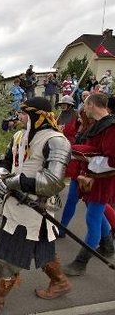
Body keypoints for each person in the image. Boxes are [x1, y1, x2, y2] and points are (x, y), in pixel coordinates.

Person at [0, 97, 72, 315]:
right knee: (43, 250)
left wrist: (14, 182)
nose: (19, 117)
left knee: (7, 257)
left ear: (37, 116)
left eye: (24, 113)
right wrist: (0, 173)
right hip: (17, 204)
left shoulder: (57, 141)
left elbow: (52, 182)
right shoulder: (19, 136)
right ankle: (60, 283)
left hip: (36, 207)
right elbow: (7, 161)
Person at [64, 93, 115, 276]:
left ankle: (80, 263)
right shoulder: (101, 125)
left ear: (92, 105)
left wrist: (84, 156)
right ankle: (108, 245)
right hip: (94, 177)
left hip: (102, 180)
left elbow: (112, 160)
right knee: (97, 214)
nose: (84, 109)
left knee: (92, 218)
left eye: (85, 105)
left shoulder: (111, 127)